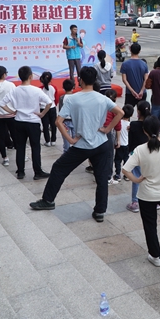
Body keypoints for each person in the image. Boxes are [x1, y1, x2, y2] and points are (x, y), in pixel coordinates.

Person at [30, 67, 124, 222]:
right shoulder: (102, 98)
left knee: (59, 168)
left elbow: (58, 122)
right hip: (101, 143)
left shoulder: (73, 98)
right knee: (101, 179)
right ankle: (100, 211)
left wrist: (70, 139)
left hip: (82, 145)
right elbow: (120, 113)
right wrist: (107, 129)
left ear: (80, 80)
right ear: (95, 81)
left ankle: (48, 200)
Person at [122, 116, 160, 267]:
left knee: (150, 225)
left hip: (147, 194)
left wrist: (137, 180)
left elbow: (125, 169)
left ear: (145, 131)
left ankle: (156, 256)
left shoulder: (140, 150)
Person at [0, 66, 52, 180]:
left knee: (20, 147)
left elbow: (2, 103)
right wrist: (42, 114)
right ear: (30, 76)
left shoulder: (15, 90)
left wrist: (13, 112)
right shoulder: (36, 90)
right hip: (33, 122)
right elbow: (49, 102)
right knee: (35, 147)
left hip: (19, 121)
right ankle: (37, 172)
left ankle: (21, 172)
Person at [126, 101, 151, 211]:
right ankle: (154, 201)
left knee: (136, 176)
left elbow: (130, 141)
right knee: (150, 177)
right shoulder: (151, 123)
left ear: (138, 112)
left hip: (136, 154)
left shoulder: (134, 125)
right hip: (149, 153)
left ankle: (135, 202)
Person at [114, 105, 133, 183]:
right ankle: (126, 175)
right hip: (126, 145)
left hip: (119, 145)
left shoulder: (118, 122)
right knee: (126, 159)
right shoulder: (130, 125)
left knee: (117, 160)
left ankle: (118, 174)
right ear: (131, 115)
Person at [39, 71, 58, 147]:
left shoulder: (40, 89)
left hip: (43, 108)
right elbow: (56, 99)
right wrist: (54, 105)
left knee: (45, 125)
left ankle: (47, 141)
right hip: (52, 107)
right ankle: (53, 140)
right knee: (53, 125)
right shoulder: (54, 87)